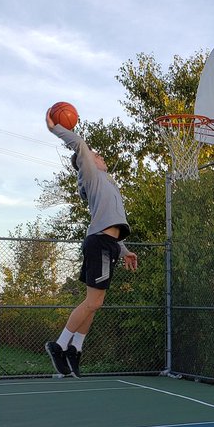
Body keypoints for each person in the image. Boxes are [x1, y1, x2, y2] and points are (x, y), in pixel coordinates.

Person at [44, 106, 138, 378]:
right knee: (93, 303)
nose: (99, 156)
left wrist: (124, 249)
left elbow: (109, 223)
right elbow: (80, 145)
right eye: (95, 155)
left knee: (95, 302)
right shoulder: (92, 175)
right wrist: (56, 129)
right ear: (87, 162)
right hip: (99, 244)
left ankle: (75, 350)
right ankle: (59, 345)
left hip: (106, 243)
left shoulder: (107, 183)